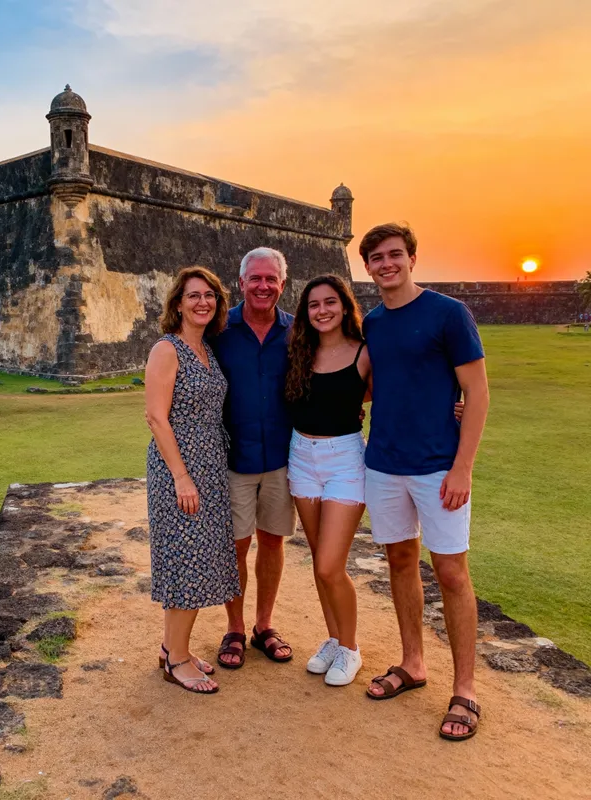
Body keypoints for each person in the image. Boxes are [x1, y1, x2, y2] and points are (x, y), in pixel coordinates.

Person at [360, 223, 489, 742]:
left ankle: (466, 689)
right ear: (367, 267)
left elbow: (477, 392)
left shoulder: (448, 314)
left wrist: (463, 467)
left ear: (412, 258)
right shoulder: (371, 322)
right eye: (376, 258)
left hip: (439, 466)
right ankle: (413, 663)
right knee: (399, 561)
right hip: (385, 463)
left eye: (394, 255)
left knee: (452, 572)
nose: (386, 264)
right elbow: (371, 388)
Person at [145, 266, 241, 694]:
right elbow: (155, 416)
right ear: (178, 303)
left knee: (196, 556)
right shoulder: (168, 349)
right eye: (194, 296)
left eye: (210, 296)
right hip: (179, 466)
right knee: (187, 557)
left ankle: (172, 648)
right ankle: (178, 661)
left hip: (210, 463)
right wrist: (182, 477)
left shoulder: (205, 350)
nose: (203, 302)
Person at [210, 248, 297, 668]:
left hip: (281, 456)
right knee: (235, 547)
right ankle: (235, 628)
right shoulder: (220, 329)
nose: (263, 286)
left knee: (273, 541)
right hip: (234, 457)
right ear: (241, 282)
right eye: (255, 279)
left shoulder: (297, 332)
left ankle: (264, 625)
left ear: (283, 282)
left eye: (271, 279)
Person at [285, 275, 371, 686]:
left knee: (330, 564)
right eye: (314, 304)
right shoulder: (299, 352)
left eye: (330, 302)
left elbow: (391, 393)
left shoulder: (364, 353)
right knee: (320, 567)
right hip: (301, 458)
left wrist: (452, 406)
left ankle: (351, 649)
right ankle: (335, 638)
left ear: (344, 306)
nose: (322, 310)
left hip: (345, 461)